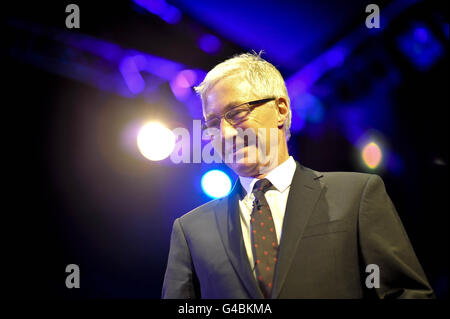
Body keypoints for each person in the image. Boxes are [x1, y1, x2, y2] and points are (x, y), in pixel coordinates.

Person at [162, 52, 434, 299]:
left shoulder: (356, 195)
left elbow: (407, 295)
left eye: (236, 113)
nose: (225, 133)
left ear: (280, 109)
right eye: (212, 123)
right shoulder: (190, 231)